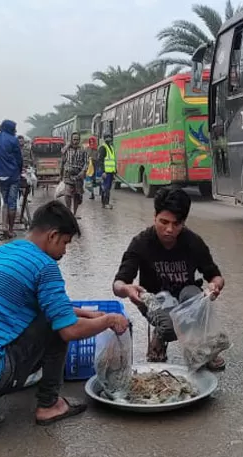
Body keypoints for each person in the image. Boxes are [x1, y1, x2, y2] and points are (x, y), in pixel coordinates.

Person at [0, 200, 129, 428]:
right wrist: (109, 319)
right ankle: (49, 405)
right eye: (65, 243)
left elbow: (41, 305)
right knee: (56, 328)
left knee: (47, 317)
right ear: (52, 236)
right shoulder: (44, 266)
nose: (64, 251)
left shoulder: (5, 251)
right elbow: (69, 330)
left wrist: (90, 315)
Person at [113, 187, 226, 370]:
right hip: (155, 301)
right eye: (163, 222)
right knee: (169, 327)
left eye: (176, 224)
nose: (169, 230)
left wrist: (214, 287)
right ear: (154, 217)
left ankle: (204, 347)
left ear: (183, 223)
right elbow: (118, 283)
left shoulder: (193, 242)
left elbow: (215, 276)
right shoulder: (141, 242)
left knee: (193, 293)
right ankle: (160, 334)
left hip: (185, 300)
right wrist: (127, 290)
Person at [0, 120, 23, 240]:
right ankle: (10, 229)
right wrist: (19, 172)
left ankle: (4, 226)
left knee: (5, 201)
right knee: (12, 203)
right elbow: (19, 159)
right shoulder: (13, 140)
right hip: (12, 175)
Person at [60, 132, 88, 216]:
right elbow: (62, 155)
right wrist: (60, 175)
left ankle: (74, 214)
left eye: (77, 139)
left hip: (79, 176)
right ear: (71, 140)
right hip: (68, 175)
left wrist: (83, 171)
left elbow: (86, 162)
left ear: (79, 140)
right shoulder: (67, 149)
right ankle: (68, 212)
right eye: (74, 139)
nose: (76, 141)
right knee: (67, 194)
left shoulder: (83, 150)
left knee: (77, 195)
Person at [96, 132, 116, 209]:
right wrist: (103, 171)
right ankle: (105, 203)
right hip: (105, 172)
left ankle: (104, 203)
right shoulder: (103, 148)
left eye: (109, 137)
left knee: (108, 188)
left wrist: (115, 171)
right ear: (104, 139)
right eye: (107, 137)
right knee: (106, 188)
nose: (109, 139)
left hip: (111, 172)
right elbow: (100, 160)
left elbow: (113, 160)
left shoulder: (111, 147)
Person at [85, 136, 99, 201]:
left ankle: (100, 193)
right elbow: (85, 157)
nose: (91, 143)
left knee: (96, 180)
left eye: (93, 141)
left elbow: (98, 158)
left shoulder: (97, 149)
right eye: (90, 141)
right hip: (89, 167)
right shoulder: (87, 149)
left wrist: (93, 159)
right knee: (89, 181)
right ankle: (92, 194)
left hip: (95, 166)